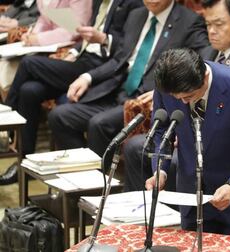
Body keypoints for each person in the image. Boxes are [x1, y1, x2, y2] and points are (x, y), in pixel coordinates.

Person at [122, 0, 230, 192]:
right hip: (191, 144)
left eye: (218, 24)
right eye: (208, 24)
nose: (211, 31)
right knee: (137, 147)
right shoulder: (210, 50)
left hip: (224, 151)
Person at [0, 0, 142, 185]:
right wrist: (73, 52)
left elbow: (125, 49)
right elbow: (84, 36)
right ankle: (23, 161)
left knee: (29, 63)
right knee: (29, 91)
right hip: (81, 57)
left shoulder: (133, 5)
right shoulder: (101, 2)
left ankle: (7, 124)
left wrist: (104, 39)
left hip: (101, 66)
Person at [47, 0, 209, 157]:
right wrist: (88, 77)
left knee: (99, 124)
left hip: (144, 99)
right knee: (60, 116)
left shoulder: (190, 21)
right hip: (117, 89)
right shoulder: (136, 15)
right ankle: (83, 171)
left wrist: (164, 91)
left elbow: (201, 63)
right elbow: (119, 59)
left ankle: (99, 180)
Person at [146, 48, 230, 235]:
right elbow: (162, 129)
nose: (182, 102)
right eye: (177, 98)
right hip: (191, 197)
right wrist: (161, 169)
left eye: (188, 97)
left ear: (205, 78)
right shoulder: (168, 84)